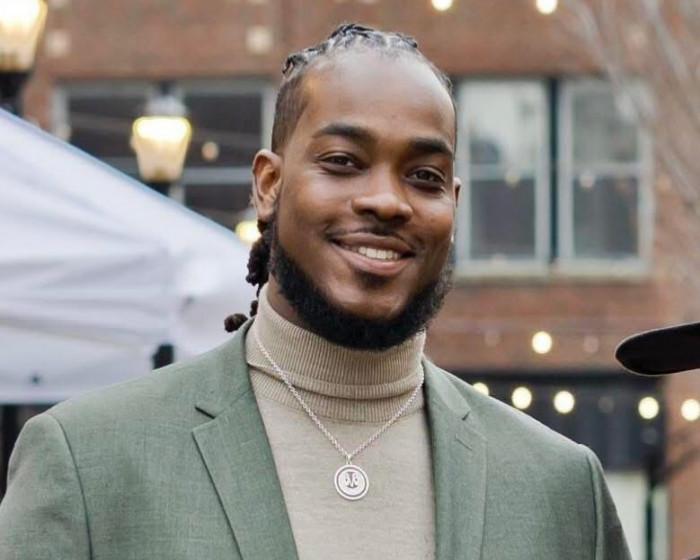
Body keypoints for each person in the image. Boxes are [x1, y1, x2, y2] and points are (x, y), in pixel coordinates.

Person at [0, 24, 631, 560]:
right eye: (343, 162)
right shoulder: (89, 462)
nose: (386, 200)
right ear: (268, 185)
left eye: (424, 175)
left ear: (454, 204)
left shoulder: (559, 489)